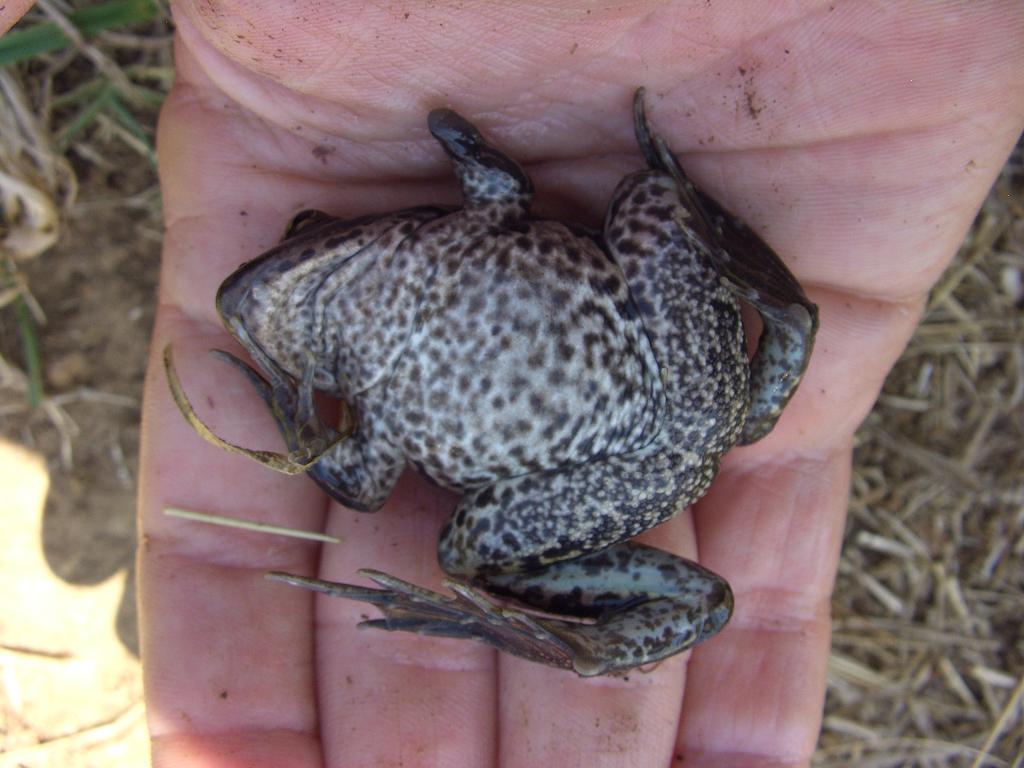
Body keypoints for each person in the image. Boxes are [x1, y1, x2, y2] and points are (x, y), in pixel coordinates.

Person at [13, 2, 1020, 765]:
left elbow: (364, 472)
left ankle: (644, 592)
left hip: (661, 414)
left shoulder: (395, 320)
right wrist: (454, 142)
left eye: (306, 242)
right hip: (627, 452)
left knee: (650, 209)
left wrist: (310, 419)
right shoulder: (397, 330)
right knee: (465, 543)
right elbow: (493, 186)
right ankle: (604, 641)